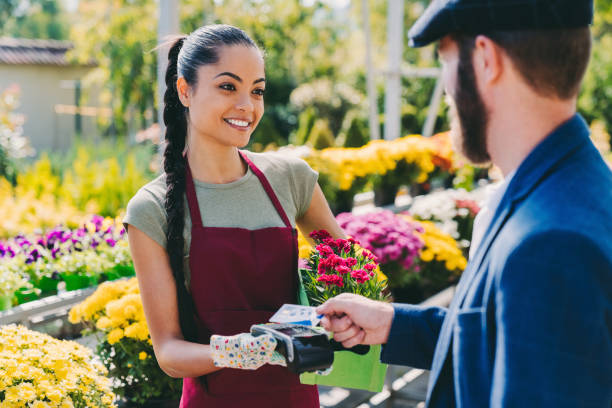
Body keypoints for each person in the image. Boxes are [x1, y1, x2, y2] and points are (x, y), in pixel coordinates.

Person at [317, 1, 612, 407]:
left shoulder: (550, 244)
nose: (447, 95)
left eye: (446, 61)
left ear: (487, 60)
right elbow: (505, 340)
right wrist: (394, 323)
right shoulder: (561, 191)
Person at [123, 24, 344, 407]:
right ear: (185, 91)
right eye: (229, 87)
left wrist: (332, 309)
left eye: (257, 90)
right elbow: (170, 353)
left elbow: (350, 272)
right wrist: (230, 352)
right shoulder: (151, 207)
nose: (248, 106)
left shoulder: (291, 178)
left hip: (295, 398)